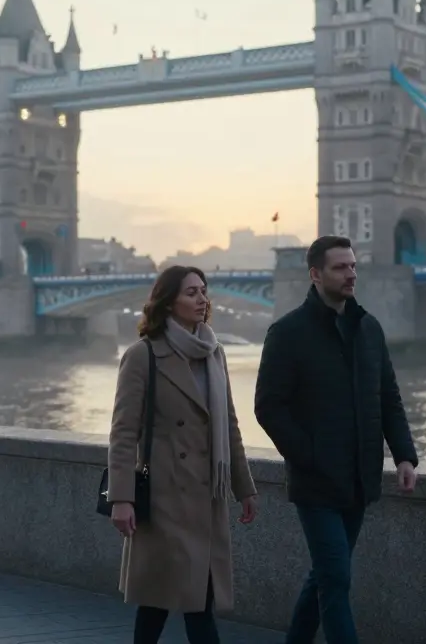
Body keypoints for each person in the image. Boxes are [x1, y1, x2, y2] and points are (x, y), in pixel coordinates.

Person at [254, 236, 419, 643]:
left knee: (327, 574)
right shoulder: (288, 332)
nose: (351, 274)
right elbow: (268, 406)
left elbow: (389, 398)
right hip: (315, 481)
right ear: (315, 274)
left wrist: (404, 456)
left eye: (353, 266)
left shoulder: (369, 328)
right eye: (340, 268)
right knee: (336, 579)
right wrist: (307, 455)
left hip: (360, 477)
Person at [106, 265, 259, 644]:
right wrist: (122, 499)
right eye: (191, 292)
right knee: (162, 601)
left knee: (194, 600)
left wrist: (245, 487)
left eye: (204, 291)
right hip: (164, 498)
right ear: (168, 301)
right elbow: (123, 432)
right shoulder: (143, 355)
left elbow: (229, 424)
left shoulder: (215, 353)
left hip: (207, 497)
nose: (202, 299)